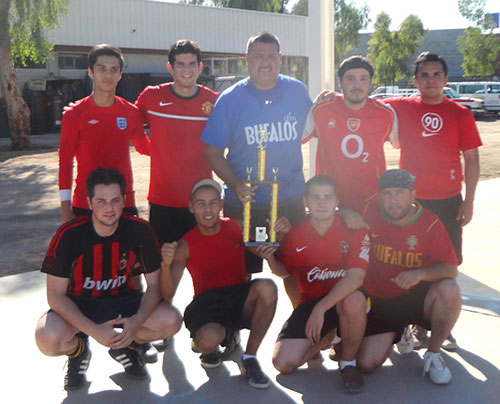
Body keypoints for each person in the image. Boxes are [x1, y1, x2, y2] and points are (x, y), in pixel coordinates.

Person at [35, 168, 182, 391]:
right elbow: (54, 296)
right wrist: (94, 330)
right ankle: (78, 352)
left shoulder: (139, 230)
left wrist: (136, 323)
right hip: (79, 304)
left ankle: (126, 346)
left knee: (171, 321)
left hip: (124, 301)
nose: (110, 208)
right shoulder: (69, 234)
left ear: (124, 200)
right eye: (101, 201)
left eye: (115, 200)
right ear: (89, 202)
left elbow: (153, 285)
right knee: (47, 338)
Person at [201, 31, 312, 305]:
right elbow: (213, 152)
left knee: (295, 271)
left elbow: (319, 127)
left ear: (280, 59)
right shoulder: (230, 99)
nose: (265, 62)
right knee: (240, 273)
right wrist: (235, 183)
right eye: (258, 56)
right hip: (246, 202)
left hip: (289, 199)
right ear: (247, 59)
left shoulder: (297, 91)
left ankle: (303, 331)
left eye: (271, 56)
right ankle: (235, 327)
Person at [160, 179, 279, 389]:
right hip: (207, 304)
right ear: (191, 207)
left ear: (221, 205)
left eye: (213, 203)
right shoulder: (184, 245)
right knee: (208, 341)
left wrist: (272, 238)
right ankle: (210, 340)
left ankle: (249, 358)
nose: (208, 210)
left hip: (238, 296)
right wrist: (166, 264)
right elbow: (168, 291)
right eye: (201, 204)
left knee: (268, 287)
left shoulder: (235, 226)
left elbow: (260, 243)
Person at [259, 175, 370, 394]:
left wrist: (321, 309)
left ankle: (347, 363)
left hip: (343, 300)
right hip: (310, 302)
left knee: (354, 300)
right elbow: (285, 272)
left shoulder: (354, 228)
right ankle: (331, 335)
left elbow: (356, 278)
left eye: (328, 197)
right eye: (315, 197)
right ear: (305, 202)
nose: (322, 202)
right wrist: (270, 259)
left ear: (337, 201)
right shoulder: (296, 234)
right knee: (283, 364)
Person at [357, 169, 461, 385]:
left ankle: (433, 353)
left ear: (413, 195)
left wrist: (421, 274)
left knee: (450, 289)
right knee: (366, 364)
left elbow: (451, 270)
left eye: (400, 193)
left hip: (417, 297)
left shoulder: (430, 222)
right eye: (387, 194)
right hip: (383, 302)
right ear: (379, 197)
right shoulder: (369, 212)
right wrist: (348, 213)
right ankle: (401, 329)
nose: (393, 201)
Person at [384, 52, 482, 266]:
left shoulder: (461, 113)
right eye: (424, 75)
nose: (431, 80)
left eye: (437, 74)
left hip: (449, 202)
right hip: (411, 202)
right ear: (416, 80)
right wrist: (332, 97)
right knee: (410, 262)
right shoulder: (400, 107)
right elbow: (363, 102)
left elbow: (472, 159)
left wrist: (469, 201)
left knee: (447, 266)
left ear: (446, 79)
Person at [135, 39, 219, 245]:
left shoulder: (215, 101)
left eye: (192, 64)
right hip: (163, 200)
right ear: (170, 68)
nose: (187, 70)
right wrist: (149, 149)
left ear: (200, 67)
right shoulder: (152, 97)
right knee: (165, 268)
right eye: (180, 64)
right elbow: (129, 121)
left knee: (205, 270)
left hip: (201, 202)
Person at [59, 44, 150, 223]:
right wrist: (65, 208)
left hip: (124, 202)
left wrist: (177, 144)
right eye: (102, 69)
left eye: (113, 69)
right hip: (86, 204)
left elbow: (145, 147)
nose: (108, 75)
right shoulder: (74, 114)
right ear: (91, 72)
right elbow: (65, 163)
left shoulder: (130, 112)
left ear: (120, 75)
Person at [303, 56, 398, 217]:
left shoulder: (386, 113)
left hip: (372, 201)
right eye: (350, 79)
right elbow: (295, 141)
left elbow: (400, 144)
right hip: (330, 203)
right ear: (340, 82)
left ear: (370, 82)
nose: (357, 85)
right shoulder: (321, 110)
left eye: (363, 79)